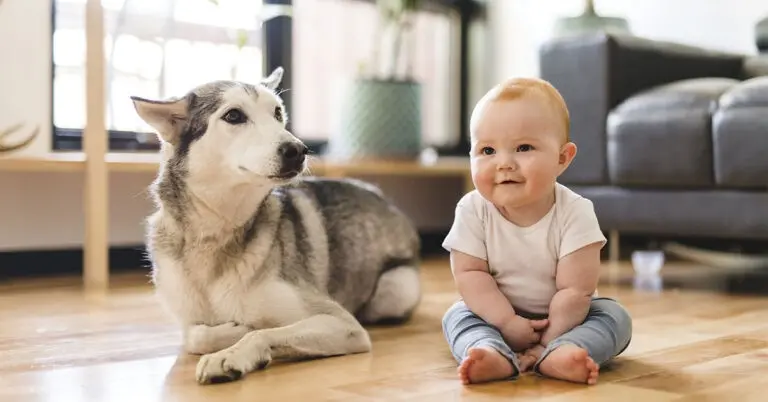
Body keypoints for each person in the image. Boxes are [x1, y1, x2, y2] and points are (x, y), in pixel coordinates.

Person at [441, 76, 632, 386]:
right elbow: (470, 274)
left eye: (523, 147)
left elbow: (575, 290)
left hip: (567, 319)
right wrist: (506, 322)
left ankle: (562, 352)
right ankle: (489, 351)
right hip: (494, 315)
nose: (504, 163)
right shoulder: (472, 209)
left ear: (562, 158)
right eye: (487, 150)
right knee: (457, 316)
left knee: (615, 316)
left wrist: (548, 339)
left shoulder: (576, 212)